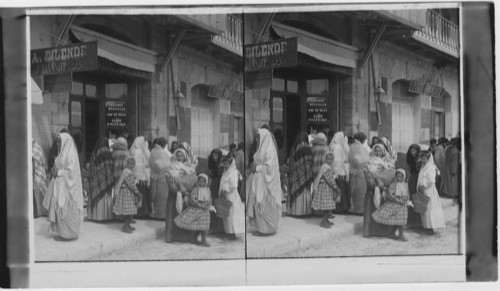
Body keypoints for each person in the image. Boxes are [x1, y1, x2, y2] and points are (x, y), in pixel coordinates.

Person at [42, 132, 83, 241]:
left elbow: (71, 172)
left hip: (68, 189)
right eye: (58, 141)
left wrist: (58, 172)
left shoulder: (71, 155)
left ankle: (69, 234)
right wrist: (54, 170)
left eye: (60, 141)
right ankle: (62, 233)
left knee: (66, 209)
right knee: (59, 209)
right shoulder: (62, 153)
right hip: (60, 186)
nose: (58, 143)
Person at [247, 128, 282, 235]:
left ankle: (268, 229)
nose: (257, 139)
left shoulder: (270, 150)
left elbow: (269, 168)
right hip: (259, 181)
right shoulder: (261, 148)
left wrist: (257, 168)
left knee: (266, 205)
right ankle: (261, 228)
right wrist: (253, 165)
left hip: (267, 184)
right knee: (259, 204)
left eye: (258, 137)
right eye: (256, 137)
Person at [362, 143, 396, 238]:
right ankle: (373, 231)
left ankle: (384, 232)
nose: (377, 152)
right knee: (374, 209)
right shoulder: (370, 161)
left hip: (385, 187)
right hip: (374, 187)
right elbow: (372, 172)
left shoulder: (386, 161)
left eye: (379, 151)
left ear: (383, 152)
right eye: (376, 151)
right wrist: (378, 180)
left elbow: (391, 170)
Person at [372, 169, 412, 241]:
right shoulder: (393, 185)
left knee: (399, 221)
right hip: (395, 204)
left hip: (402, 205)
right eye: (397, 177)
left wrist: (406, 200)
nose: (399, 179)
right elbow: (390, 195)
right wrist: (397, 200)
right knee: (399, 220)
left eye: (401, 177)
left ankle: (392, 233)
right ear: (395, 177)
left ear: (404, 177)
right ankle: (401, 235)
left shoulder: (405, 185)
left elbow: (407, 194)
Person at [174, 174, 213, 247]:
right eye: (200, 181)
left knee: (204, 225)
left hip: (205, 209)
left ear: (206, 182)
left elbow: (210, 199)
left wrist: (208, 204)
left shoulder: (207, 190)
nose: (201, 183)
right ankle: (194, 238)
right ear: (197, 182)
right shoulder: (195, 190)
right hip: (197, 208)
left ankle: (203, 240)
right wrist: (199, 204)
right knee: (199, 225)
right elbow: (192, 199)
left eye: (203, 182)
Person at [285, 132, 314, 217]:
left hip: (294, 176)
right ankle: (305, 211)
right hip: (305, 174)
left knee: (296, 191)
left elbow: (290, 162)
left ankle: (295, 212)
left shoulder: (294, 148)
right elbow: (310, 162)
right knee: (304, 191)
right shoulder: (307, 148)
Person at [417, 151, 446, 234]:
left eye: (424, 159)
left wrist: (422, 185)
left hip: (428, 190)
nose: (423, 160)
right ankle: (426, 227)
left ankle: (430, 228)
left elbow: (431, 180)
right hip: (423, 190)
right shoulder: (424, 166)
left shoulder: (430, 167)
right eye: (422, 158)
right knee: (425, 209)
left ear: (428, 159)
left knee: (429, 209)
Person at [87, 137, 114, 222]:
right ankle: (105, 216)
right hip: (107, 179)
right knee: (105, 196)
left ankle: (96, 216)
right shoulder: (108, 153)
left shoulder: (94, 152)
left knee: (97, 195)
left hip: (95, 179)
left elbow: (91, 167)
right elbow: (111, 166)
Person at [219, 156, 245, 239]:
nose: (225, 165)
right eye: (224, 163)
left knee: (232, 213)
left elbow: (234, 185)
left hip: (231, 195)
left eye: (227, 164)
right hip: (225, 195)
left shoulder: (233, 172)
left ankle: (233, 232)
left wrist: (225, 189)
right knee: (227, 213)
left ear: (231, 164)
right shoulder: (225, 172)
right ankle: (228, 231)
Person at [113, 157, 142, 233]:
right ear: (126, 164)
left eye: (133, 164)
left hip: (128, 192)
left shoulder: (129, 171)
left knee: (129, 210)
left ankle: (128, 225)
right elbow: (131, 184)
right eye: (129, 163)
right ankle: (125, 226)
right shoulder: (127, 172)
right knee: (128, 211)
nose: (131, 165)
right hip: (126, 193)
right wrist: (138, 193)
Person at [312, 151, 339, 228]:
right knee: (326, 205)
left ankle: (326, 220)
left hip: (326, 187)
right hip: (324, 187)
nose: (330, 161)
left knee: (327, 205)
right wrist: (336, 187)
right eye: (328, 159)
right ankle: (324, 221)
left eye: (331, 159)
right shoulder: (325, 167)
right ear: (325, 159)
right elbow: (330, 179)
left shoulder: (328, 167)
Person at [348, 132, 371, 215]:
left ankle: (354, 208)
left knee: (354, 191)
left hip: (352, 171)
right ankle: (359, 210)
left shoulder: (352, 146)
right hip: (360, 172)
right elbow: (366, 159)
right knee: (361, 191)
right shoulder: (361, 148)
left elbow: (349, 158)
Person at [148, 137, 171, 219]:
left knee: (155, 195)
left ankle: (157, 213)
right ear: (163, 144)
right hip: (162, 177)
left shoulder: (153, 151)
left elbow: (150, 162)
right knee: (162, 196)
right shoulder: (161, 152)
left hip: (154, 176)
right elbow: (167, 163)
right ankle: (161, 214)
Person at [329, 131, 351, 213]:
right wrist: (337, 172)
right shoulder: (337, 147)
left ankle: (339, 208)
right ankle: (340, 208)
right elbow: (336, 161)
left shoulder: (335, 146)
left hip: (339, 171)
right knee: (340, 190)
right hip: (339, 172)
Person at [129, 136, 151, 218]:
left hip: (138, 176)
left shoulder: (135, 151)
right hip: (140, 177)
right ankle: (140, 213)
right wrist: (138, 177)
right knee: (141, 195)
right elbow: (138, 166)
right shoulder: (138, 152)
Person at [207, 149, 225, 233]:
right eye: (213, 155)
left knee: (219, 205)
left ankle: (220, 228)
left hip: (220, 185)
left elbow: (222, 176)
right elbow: (210, 175)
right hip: (213, 186)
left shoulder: (222, 163)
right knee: (213, 205)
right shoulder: (211, 163)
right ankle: (213, 226)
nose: (215, 157)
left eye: (217, 155)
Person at [406, 144, 422, 227]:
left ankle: (418, 222)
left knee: (417, 200)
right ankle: (411, 221)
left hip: (418, 179)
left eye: (415, 150)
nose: (413, 152)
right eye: (411, 150)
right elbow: (408, 169)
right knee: (411, 199)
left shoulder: (420, 159)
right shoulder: (409, 158)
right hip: (412, 180)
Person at [442, 137, 461, 204]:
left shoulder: (448, 149)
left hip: (447, 169)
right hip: (453, 170)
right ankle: (455, 200)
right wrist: (454, 171)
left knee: (451, 186)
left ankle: (454, 199)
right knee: (454, 186)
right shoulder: (456, 151)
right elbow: (454, 162)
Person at [32, 139, 48, 218]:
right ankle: (41, 210)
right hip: (40, 171)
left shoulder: (34, 149)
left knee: (38, 191)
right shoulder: (38, 147)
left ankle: (39, 211)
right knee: (40, 191)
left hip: (38, 171)